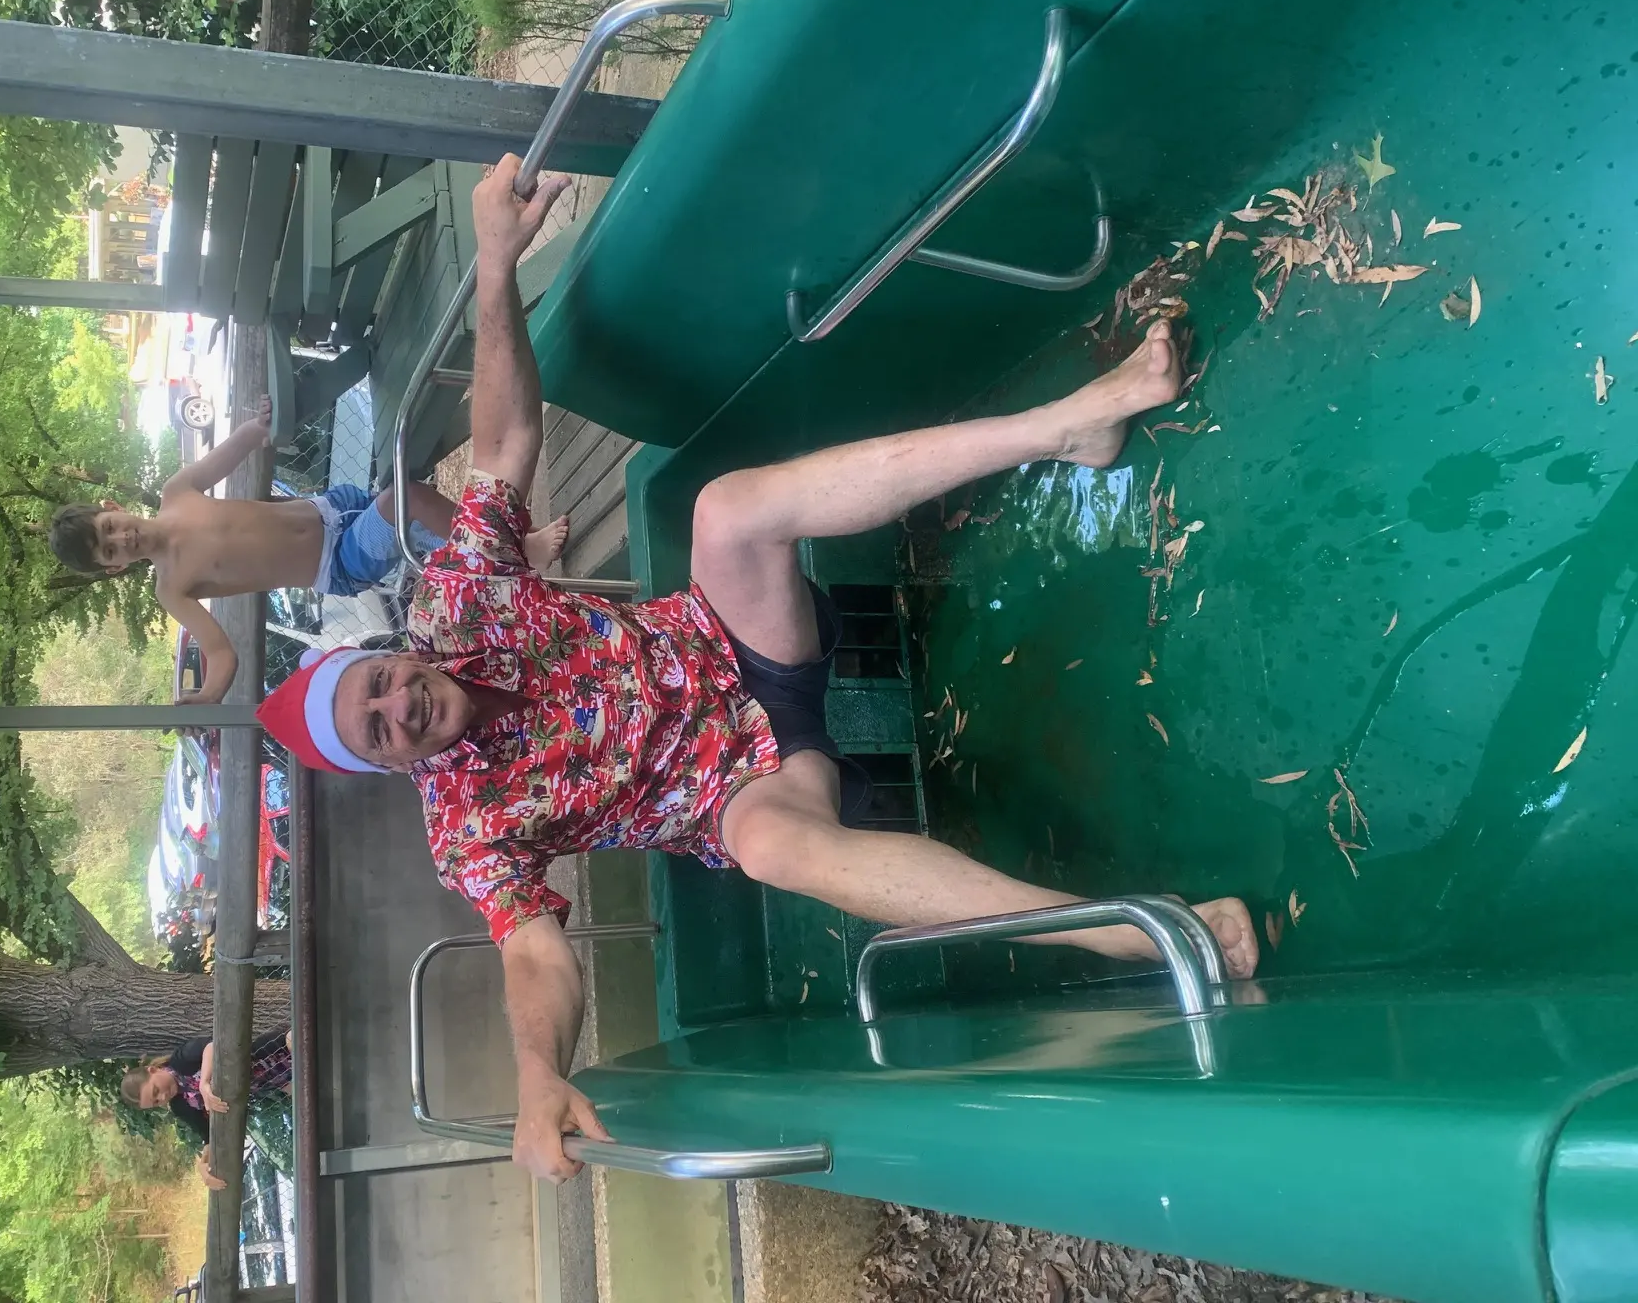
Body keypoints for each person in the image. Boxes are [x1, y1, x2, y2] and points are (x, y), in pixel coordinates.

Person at [253, 153, 1261, 1186]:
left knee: (723, 511)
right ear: (389, 764)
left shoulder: (462, 598)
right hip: (744, 792)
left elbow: (504, 436)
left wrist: (500, 263)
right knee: (776, 852)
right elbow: (534, 952)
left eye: (374, 683)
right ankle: (1136, 941)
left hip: (741, 640)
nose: (397, 706)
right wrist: (534, 1072)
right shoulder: (467, 830)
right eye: (376, 729)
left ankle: (1069, 426)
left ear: (387, 654)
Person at [47, 400, 572, 704]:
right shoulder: (172, 588)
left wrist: (256, 428)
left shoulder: (177, 492)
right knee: (405, 500)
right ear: (114, 567)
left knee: (423, 531)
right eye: (109, 548)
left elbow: (230, 453)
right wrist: (207, 697)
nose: (121, 538)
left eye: (110, 526)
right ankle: (517, 549)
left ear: (112, 506)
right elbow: (222, 653)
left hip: (332, 507)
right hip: (337, 563)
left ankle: (502, 566)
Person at [121, 1030, 295, 1190]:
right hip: (280, 1082)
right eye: (156, 1102)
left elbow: (212, 1046)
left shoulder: (180, 1060)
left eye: (155, 1091)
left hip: (274, 1051)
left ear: (152, 1070)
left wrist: (204, 1083)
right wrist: (204, 1164)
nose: (162, 1098)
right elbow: (209, 1137)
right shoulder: (180, 1106)